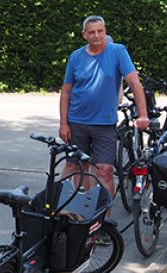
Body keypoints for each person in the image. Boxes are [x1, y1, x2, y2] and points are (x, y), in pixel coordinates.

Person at [59, 15, 148, 197]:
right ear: (84, 35)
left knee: (105, 170)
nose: (97, 35)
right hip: (77, 121)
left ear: (105, 31)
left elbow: (134, 82)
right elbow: (66, 91)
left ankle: (103, 219)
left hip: (104, 123)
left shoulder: (117, 52)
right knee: (80, 167)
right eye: (92, 32)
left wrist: (143, 114)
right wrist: (63, 123)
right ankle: (83, 211)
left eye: (100, 31)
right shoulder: (76, 57)